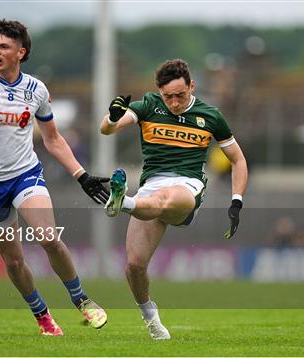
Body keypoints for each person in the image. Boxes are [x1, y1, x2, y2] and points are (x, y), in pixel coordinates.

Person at [0, 19, 109, 336]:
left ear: (22, 51)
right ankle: (42, 316)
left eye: (4, 47)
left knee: (48, 237)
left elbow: (53, 139)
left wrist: (81, 175)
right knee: (14, 263)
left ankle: (81, 300)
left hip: (25, 175)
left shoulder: (36, 89)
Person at [100, 59, 248, 340]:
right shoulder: (148, 106)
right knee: (134, 265)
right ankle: (151, 318)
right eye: (168, 96)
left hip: (186, 186)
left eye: (181, 95)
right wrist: (112, 117)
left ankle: (123, 203)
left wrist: (236, 201)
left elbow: (238, 160)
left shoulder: (211, 116)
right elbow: (106, 130)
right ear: (159, 91)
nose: (175, 102)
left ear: (191, 86)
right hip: (150, 187)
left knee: (166, 199)